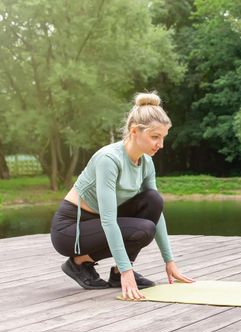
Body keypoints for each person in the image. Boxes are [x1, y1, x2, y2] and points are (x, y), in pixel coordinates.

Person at [50, 92, 194, 300]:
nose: (160, 144)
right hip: (71, 229)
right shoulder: (109, 159)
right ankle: (79, 263)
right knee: (144, 229)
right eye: (155, 137)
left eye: (163, 137)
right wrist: (129, 273)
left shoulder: (146, 162)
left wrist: (169, 261)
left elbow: (156, 211)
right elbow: (109, 220)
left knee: (153, 200)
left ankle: (117, 272)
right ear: (134, 131)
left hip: (99, 222)